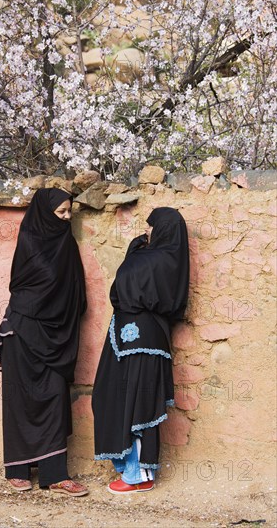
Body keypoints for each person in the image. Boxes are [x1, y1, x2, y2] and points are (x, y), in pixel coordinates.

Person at [0, 188, 88, 497]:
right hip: (22, 333)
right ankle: (17, 470)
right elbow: (22, 288)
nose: (65, 218)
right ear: (45, 214)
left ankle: (54, 474)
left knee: (55, 400)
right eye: (60, 212)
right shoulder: (30, 242)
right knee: (20, 401)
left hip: (56, 338)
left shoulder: (68, 246)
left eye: (68, 212)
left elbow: (77, 295)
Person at [92, 207, 189, 494]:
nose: (146, 232)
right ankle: (134, 471)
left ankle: (138, 475)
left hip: (142, 341)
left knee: (136, 405)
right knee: (119, 399)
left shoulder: (158, 259)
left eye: (151, 227)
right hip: (134, 339)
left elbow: (120, 288)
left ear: (162, 229)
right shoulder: (162, 258)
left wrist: (134, 255)